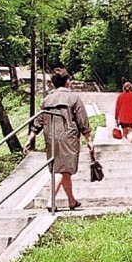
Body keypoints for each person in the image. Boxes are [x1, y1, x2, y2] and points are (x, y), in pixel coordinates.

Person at [24, 68, 94, 211]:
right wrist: (89, 139)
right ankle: (51, 200)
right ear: (68, 81)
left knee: (62, 169)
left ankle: (71, 200)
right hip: (69, 137)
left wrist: (31, 137)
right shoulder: (74, 98)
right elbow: (82, 121)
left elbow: (39, 120)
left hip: (51, 137)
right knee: (64, 169)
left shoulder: (47, 99)